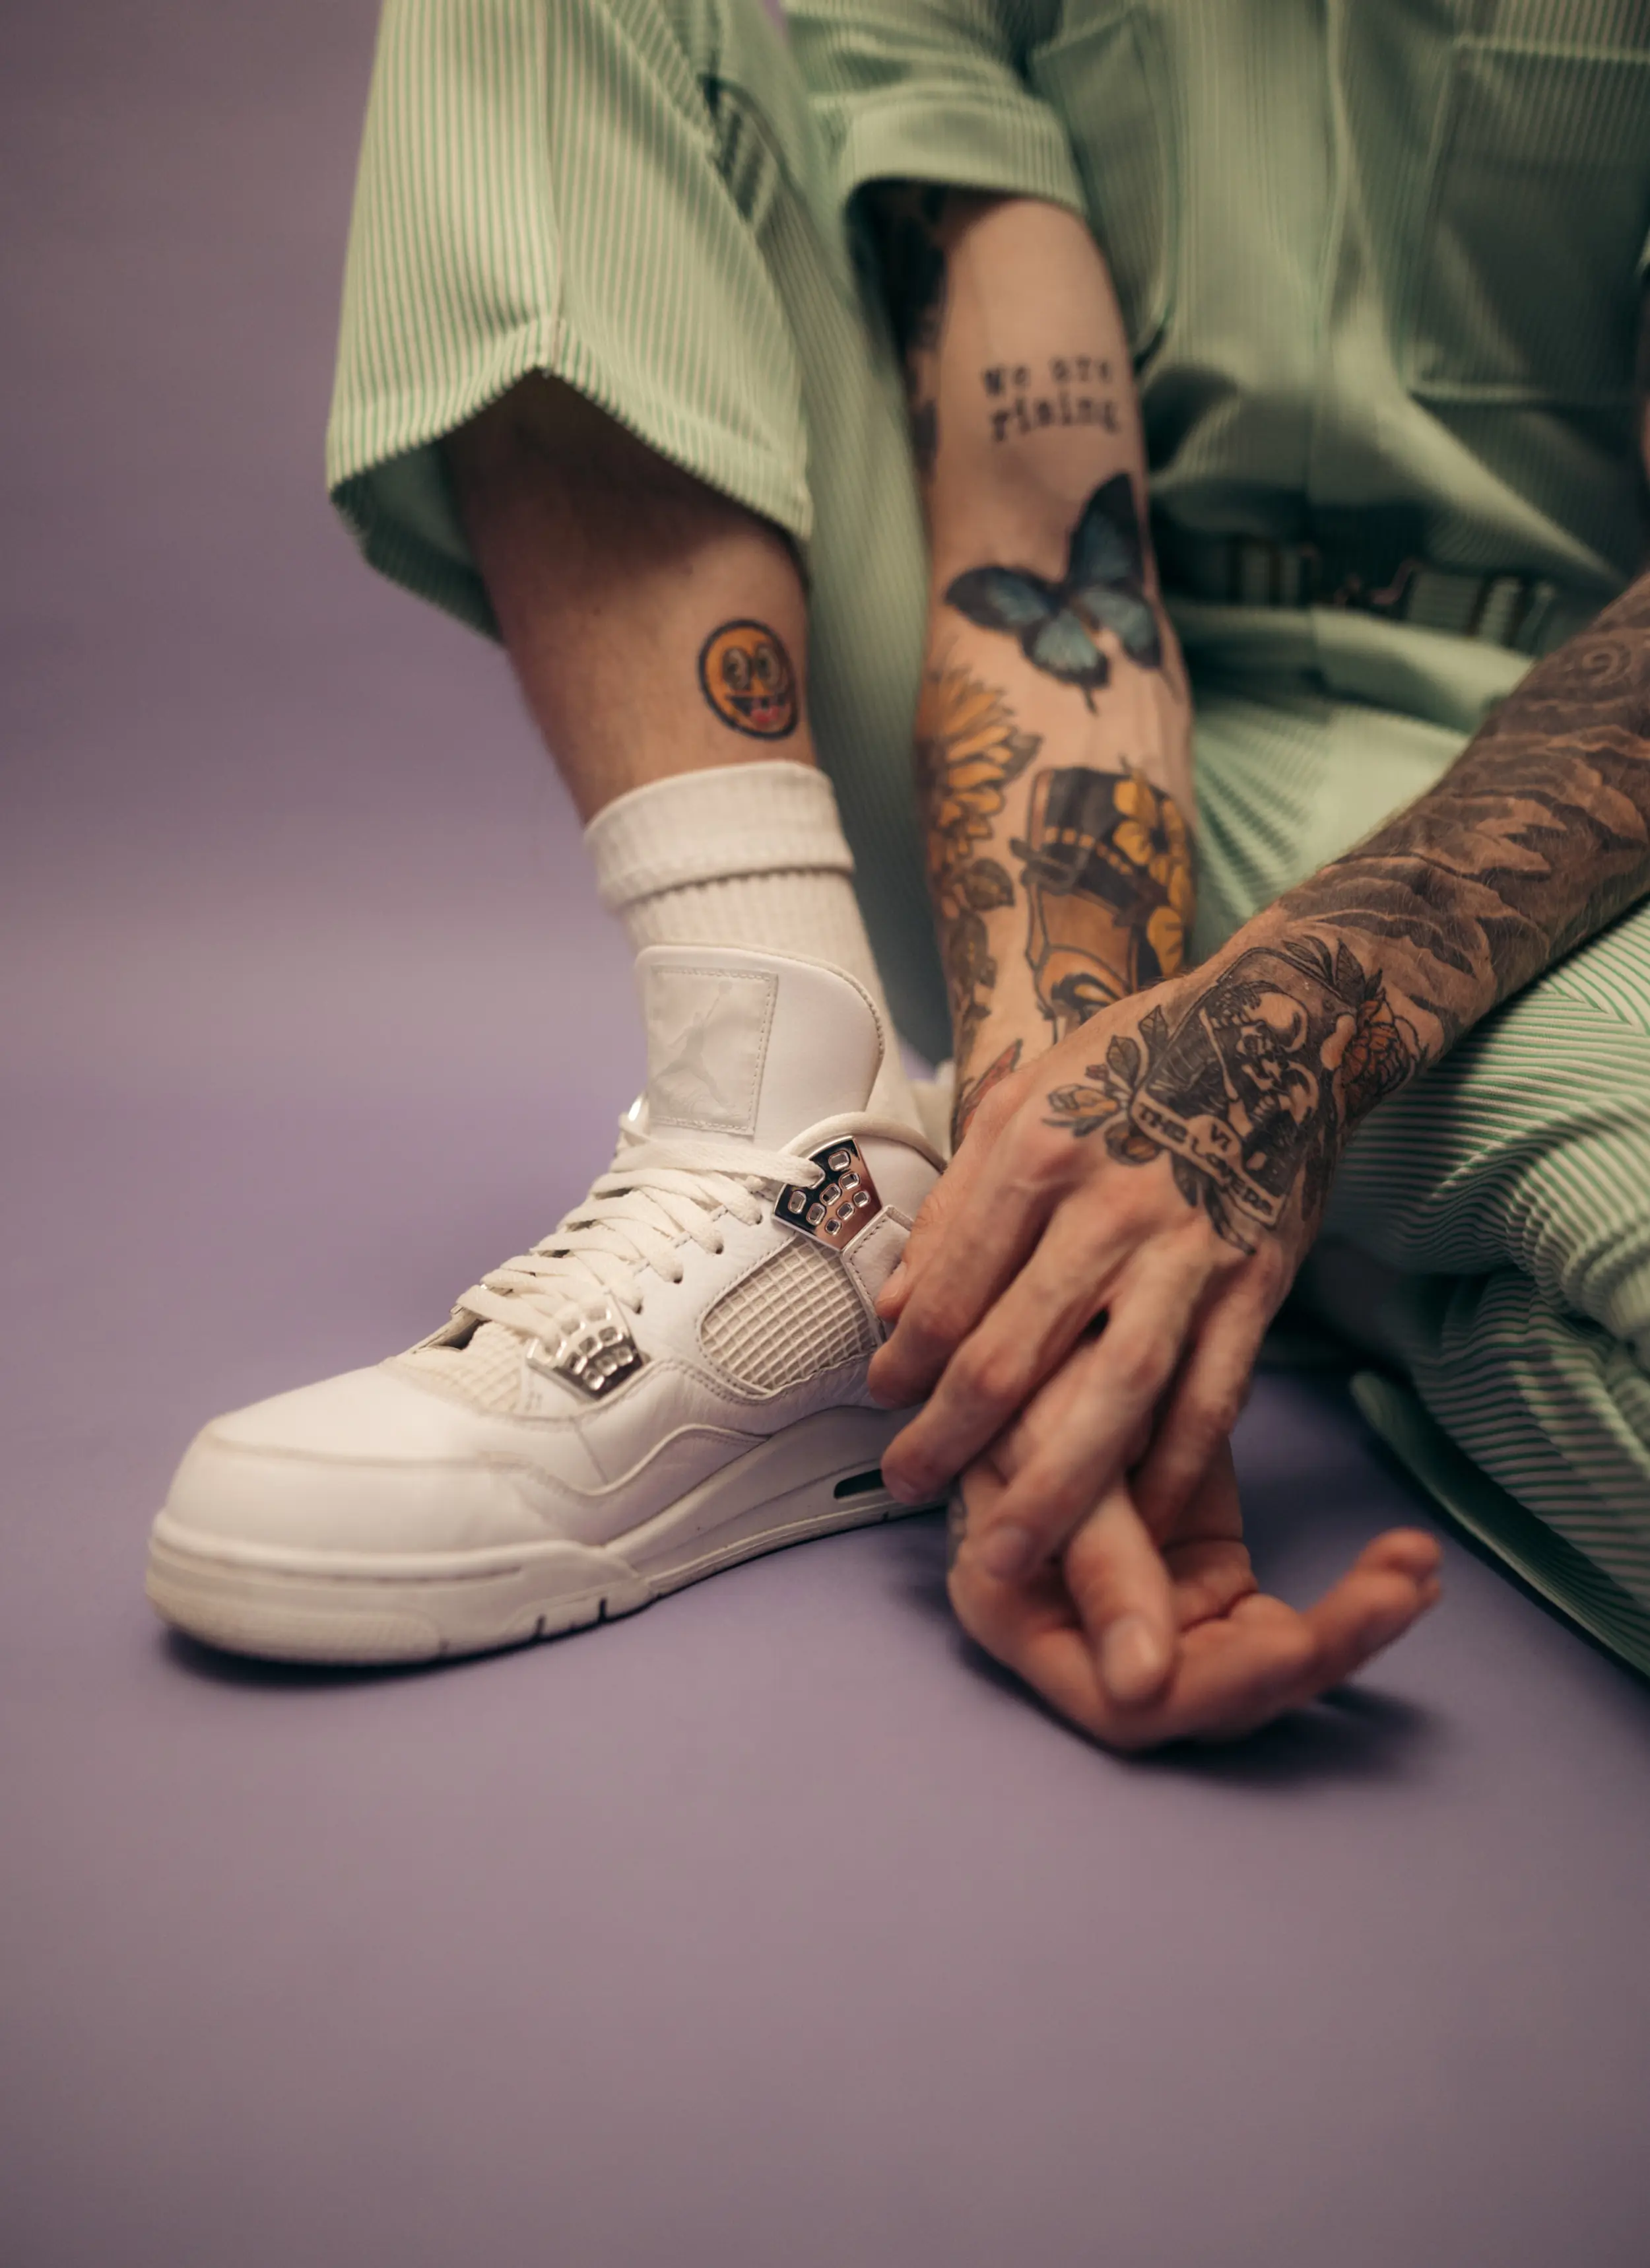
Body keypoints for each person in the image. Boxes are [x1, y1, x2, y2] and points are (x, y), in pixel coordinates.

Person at [146, 0, 1650, 1748]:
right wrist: (1068, 1128)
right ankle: (806, 1136)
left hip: (1539, 830)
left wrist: (1269, 1072)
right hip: (1031, 734)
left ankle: (1309, 1271)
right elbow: (1037, 526)